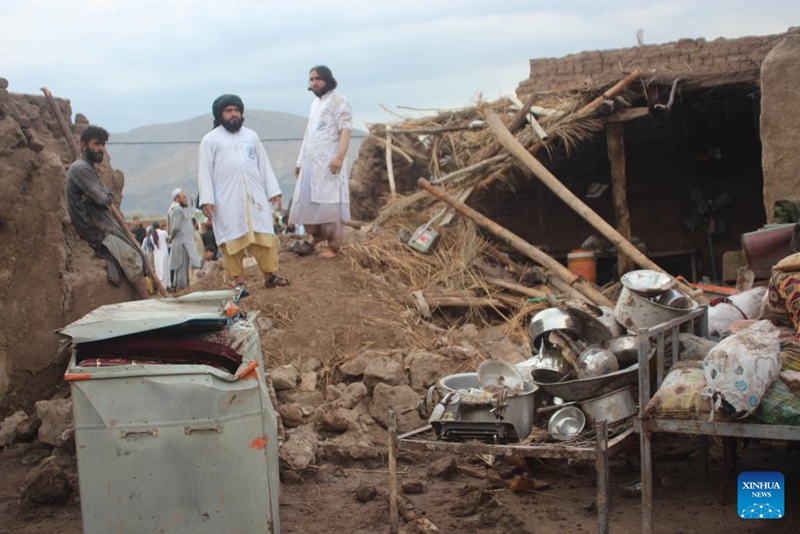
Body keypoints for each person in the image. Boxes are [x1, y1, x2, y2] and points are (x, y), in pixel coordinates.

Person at [197, 94, 289, 289]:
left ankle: (270, 276)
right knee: (232, 242)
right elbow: (204, 172)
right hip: (227, 199)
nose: (234, 115)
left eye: (237, 111)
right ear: (220, 114)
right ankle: (239, 281)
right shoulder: (210, 140)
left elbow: (263, 165)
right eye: (229, 111)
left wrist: (273, 191)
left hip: (255, 197)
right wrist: (207, 200)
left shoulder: (251, 136)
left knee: (264, 237)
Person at [65, 125, 149, 300]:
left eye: (103, 144)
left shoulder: (89, 169)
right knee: (131, 257)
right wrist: (99, 197)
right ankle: (146, 302)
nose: (101, 148)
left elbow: (107, 196)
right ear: (83, 145)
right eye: (96, 144)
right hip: (94, 227)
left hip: (101, 223)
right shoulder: (80, 168)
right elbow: (103, 199)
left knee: (137, 254)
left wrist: (98, 196)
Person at [290, 65, 352, 259]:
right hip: (311, 164)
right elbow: (308, 135)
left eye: (317, 79)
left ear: (327, 80)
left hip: (329, 165)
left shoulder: (338, 100)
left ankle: (334, 247)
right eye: (311, 79)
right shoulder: (314, 105)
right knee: (307, 204)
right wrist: (300, 162)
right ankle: (315, 238)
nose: (314, 83)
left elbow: (346, 130)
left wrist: (339, 157)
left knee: (330, 204)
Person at [167, 188, 202, 290]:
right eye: (184, 197)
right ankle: (181, 290)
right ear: (177, 199)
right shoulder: (177, 210)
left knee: (183, 270)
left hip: (185, 243)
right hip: (182, 244)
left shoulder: (181, 210)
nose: (186, 199)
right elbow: (174, 227)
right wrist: (171, 238)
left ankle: (182, 288)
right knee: (181, 270)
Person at [149, 220, 171, 289]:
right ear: (159, 226)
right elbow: (168, 240)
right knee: (165, 269)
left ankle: (160, 287)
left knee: (158, 270)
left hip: (156, 254)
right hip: (164, 253)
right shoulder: (164, 232)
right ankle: (165, 286)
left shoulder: (151, 236)